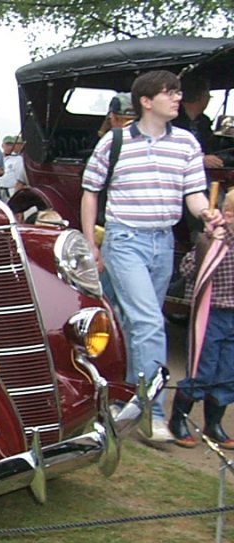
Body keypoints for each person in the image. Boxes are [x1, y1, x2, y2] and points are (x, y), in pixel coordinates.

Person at [80, 70, 225, 442]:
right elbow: (91, 191)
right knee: (148, 324)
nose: (178, 98)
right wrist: (90, 243)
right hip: (124, 240)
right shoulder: (114, 142)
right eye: (169, 93)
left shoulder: (188, 144)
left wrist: (206, 212)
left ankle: (121, 399)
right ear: (146, 101)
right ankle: (152, 412)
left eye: (178, 93)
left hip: (163, 244)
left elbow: (193, 194)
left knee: (132, 325)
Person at [170, 190, 234, 449]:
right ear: (228, 216)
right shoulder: (215, 239)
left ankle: (214, 424)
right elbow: (187, 270)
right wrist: (205, 245)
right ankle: (179, 420)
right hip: (212, 314)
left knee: (229, 372)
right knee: (202, 369)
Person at [174, 75, 228, 169]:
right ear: (199, 97)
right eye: (208, 96)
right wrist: (200, 159)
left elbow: (210, 146)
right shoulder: (172, 119)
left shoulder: (204, 121)